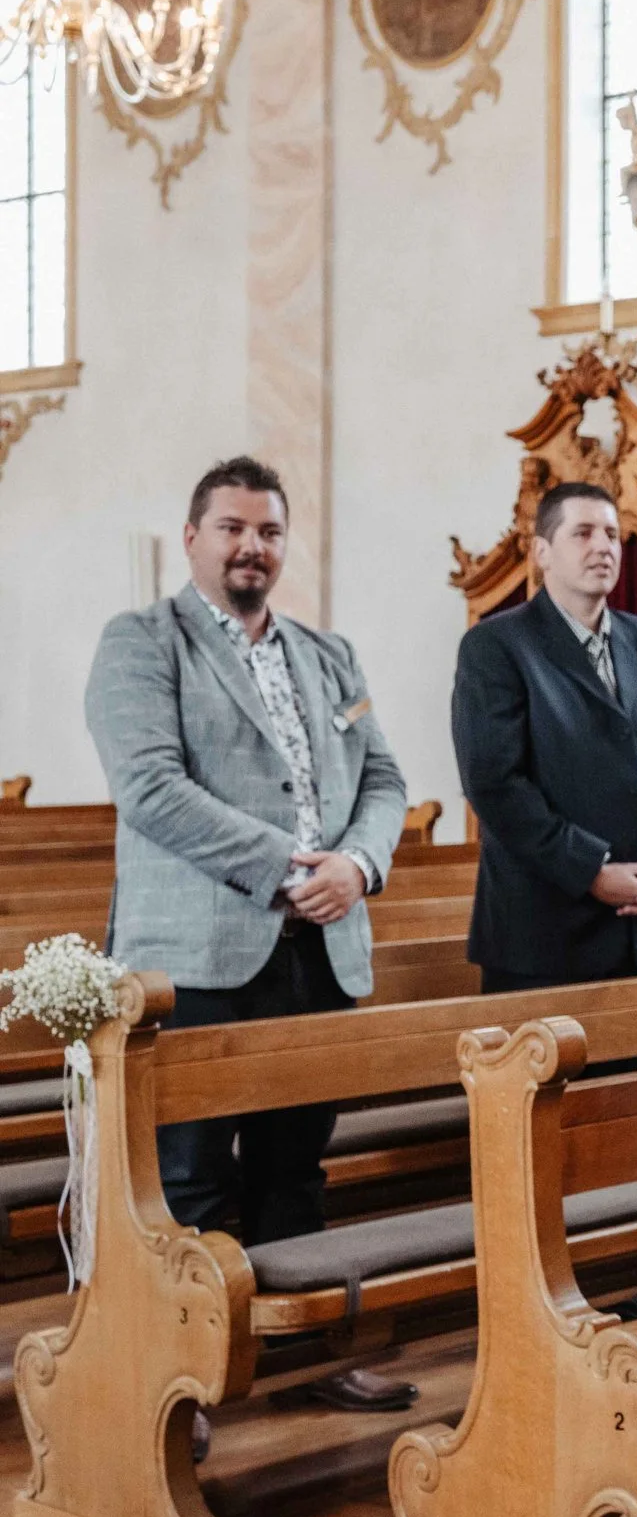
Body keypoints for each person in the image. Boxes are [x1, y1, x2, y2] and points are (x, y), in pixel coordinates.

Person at [84, 455, 418, 1415]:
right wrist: (289, 865)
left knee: (294, 1170)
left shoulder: (329, 654)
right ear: (192, 537)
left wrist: (357, 864)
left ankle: (302, 1362)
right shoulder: (143, 642)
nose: (251, 546)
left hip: (317, 947)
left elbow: (385, 779)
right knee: (186, 1183)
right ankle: (173, 1387)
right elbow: (149, 788)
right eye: (231, 528)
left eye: (268, 531)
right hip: (197, 956)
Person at [450, 483, 637, 992]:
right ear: (542, 550)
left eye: (613, 534)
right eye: (583, 532)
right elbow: (496, 785)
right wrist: (591, 870)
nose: (604, 546)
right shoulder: (496, 646)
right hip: (543, 939)